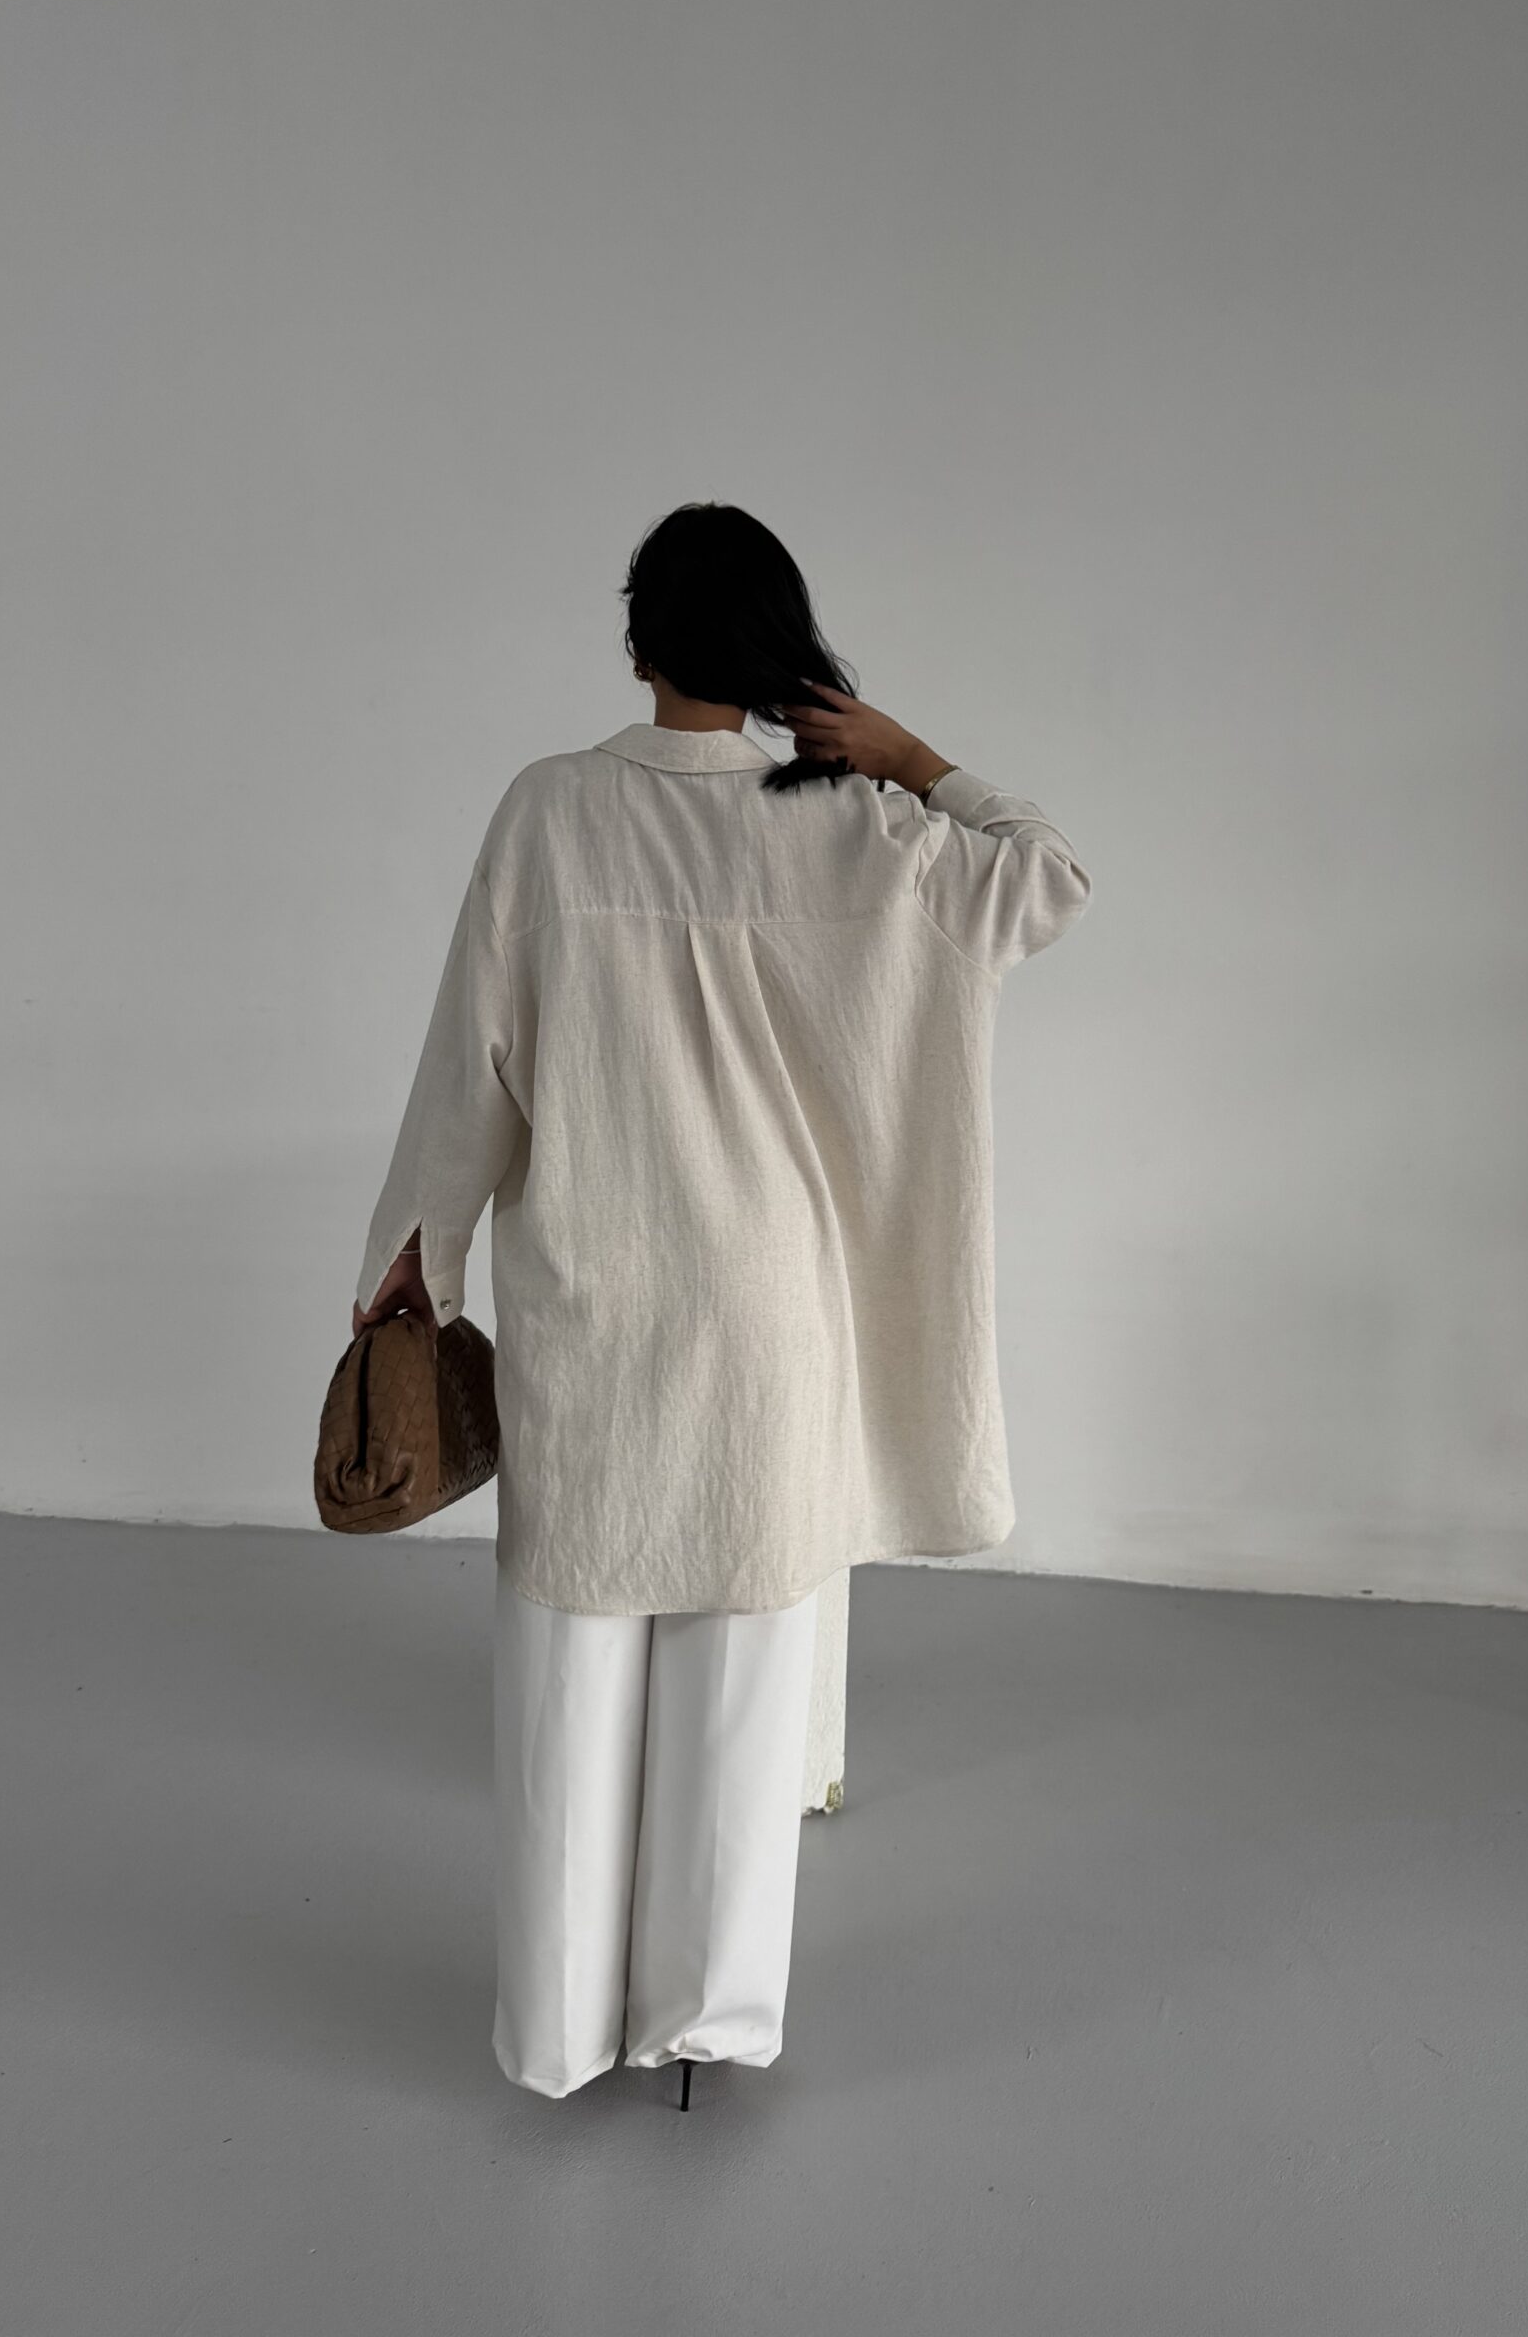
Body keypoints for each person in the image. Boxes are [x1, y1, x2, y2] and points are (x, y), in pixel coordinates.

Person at [352, 502, 1091, 2104]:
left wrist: (415, 1257)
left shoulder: (549, 813)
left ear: (638, 644)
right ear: (775, 653)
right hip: (770, 1324)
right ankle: (706, 2026)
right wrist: (910, 758)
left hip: (592, 1300)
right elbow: (1048, 878)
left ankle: (558, 2036)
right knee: (746, 1694)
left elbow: (471, 1065)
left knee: (568, 1676)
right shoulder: (857, 832)